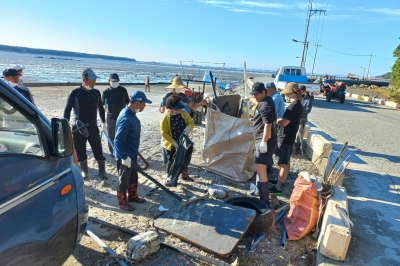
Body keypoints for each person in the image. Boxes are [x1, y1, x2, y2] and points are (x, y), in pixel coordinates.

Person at [63, 68, 107, 180]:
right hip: (78, 127)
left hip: (93, 126)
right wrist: (64, 125)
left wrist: (103, 122)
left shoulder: (96, 93)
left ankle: (102, 170)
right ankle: (84, 171)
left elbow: (101, 109)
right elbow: (67, 110)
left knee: (98, 149)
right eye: (92, 80)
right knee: (80, 151)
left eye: (95, 80)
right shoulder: (75, 93)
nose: (94, 82)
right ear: (84, 80)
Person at [114, 91, 152, 211]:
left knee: (133, 177)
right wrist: (124, 157)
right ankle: (122, 202)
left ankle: (133, 196)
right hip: (125, 156)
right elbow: (118, 141)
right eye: (143, 104)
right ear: (137, 103)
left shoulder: (131, 114)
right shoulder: (126, 118)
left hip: (132, 153)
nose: (144, 106)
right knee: (123, 179)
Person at [269, 82, 303, 195]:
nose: (286, 96)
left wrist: (276, 119)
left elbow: (284, 123)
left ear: (291, 93)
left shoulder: (293, 106)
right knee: (286, 162)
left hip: (285, 137)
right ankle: (280, 181)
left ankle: (278, 187)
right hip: (290, 136)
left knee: (282, 164)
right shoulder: (299, 104)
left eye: (287, 94)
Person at [248, 82, 277, 207]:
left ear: (263, 92)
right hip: (264, 140)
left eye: (256, 95)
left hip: (265, 141)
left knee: (260, 169)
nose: (254, 97)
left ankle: (264, 201)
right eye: (253, 95)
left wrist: (264, 142)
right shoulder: (267, 100)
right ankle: (260, 193)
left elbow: (268, 125)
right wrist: (255, 120)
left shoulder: (265, 105)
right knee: (261, 169)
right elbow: (264, 118)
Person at [160, 94, 195, 182]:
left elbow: (191, 122)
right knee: (171, 160)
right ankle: (169, 175)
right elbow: (164, 133)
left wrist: (188, 128)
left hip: (183, 142)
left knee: (185, 159)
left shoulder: (183, 113)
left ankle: (185, 175)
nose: (180, 110)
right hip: (171, 144)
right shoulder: (165, 118)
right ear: (172, 109)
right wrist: (173, 142)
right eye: (178, 108)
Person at [102, 73, 129, 157]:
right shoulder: (106, 92)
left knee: (123, 135)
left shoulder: (123, 90)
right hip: (111, 118)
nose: (115, 82)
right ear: (109, 81)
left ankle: (122, 151)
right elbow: (103, 106)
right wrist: (103, 120)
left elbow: (128, 102)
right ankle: (113, 152)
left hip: (123, 117)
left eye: (117, 81)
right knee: (111, 136)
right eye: (113, 81)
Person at [293, 86, 313, 155]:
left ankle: (301, 150)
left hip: (302, 120)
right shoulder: (298, 98)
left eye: (301, 91)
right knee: (294, 134)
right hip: (295, 119)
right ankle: (295, 148)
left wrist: (299, 110)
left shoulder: (308, 100)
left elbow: (308, 110)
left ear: (304, 91)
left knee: (300, 135)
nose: (300, 92)